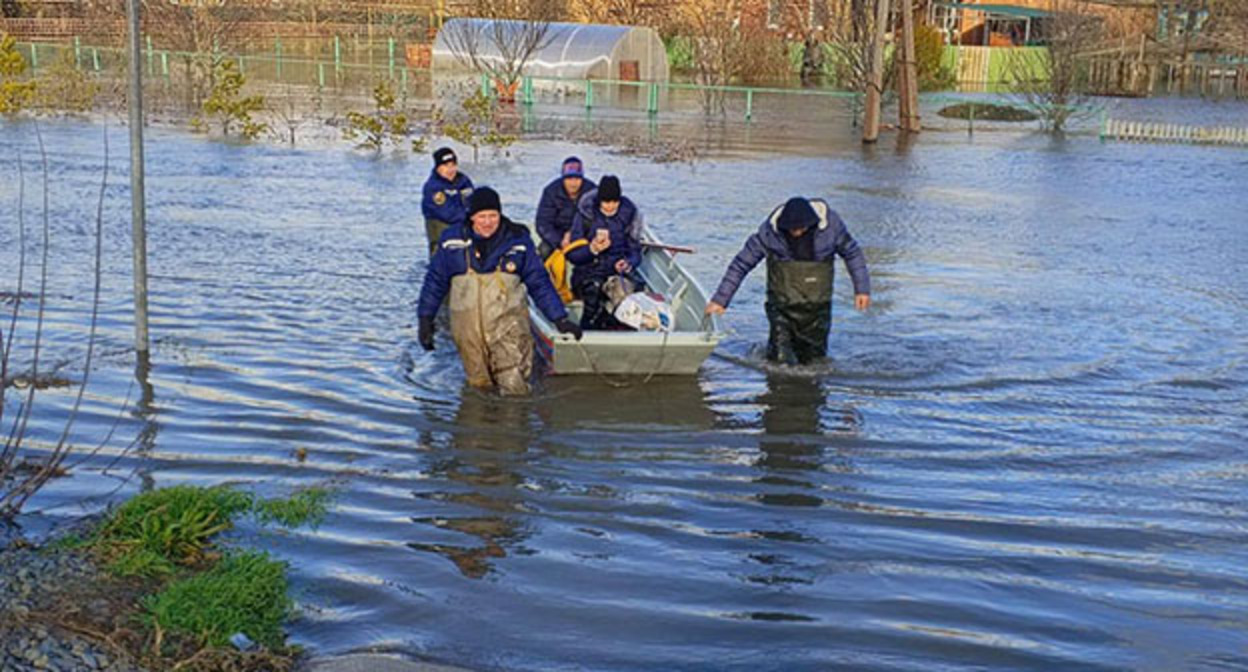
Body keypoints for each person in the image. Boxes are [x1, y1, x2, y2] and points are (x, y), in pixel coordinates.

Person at [417, 187, 582, 396]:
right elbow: (435, 282)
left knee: (515, 390)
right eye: (482, 216)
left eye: (493, 215)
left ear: (500, 214)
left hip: (508, 330)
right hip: (468, 334)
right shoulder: (451, 241)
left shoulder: (518, 241)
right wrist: (425, 319)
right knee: (478, 391)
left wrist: (559, 318)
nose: (488, 222)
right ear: (472, 217)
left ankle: (515, 426)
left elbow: (539, 282)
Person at [705, 197, 870, 365]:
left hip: (818, 309)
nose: (796, 233)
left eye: (800, 228)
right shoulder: (769, 234)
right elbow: (741, 264)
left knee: (815, 362)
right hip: (781, 309)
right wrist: (720, 300)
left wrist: (861, 289)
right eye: (791, 229)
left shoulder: (832, 230)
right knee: (779, 362)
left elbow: (852, 254)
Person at [565, 175, 646, 330]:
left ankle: (623, 329)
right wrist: (592, 249)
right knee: (593, 290)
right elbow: (573, 255)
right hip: (588, 272)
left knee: (624, 295)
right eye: (606, 202)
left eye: (614, 202)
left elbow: (635, 251)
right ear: (599, 201)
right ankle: (587, 329)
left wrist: (628, 263)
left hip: (617, 273)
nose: (610, 206)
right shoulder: (585, 216)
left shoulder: (629, 215)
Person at [535, 156, 596, 259]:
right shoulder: (551, 192)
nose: (573, 183)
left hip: (584, 234)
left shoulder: (592, 192)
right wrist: (559, 241)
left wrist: (575, 235)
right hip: (558, 234)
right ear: (563, 178)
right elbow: (542, 223)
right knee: (544, 250)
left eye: (577, 178)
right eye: (569, 178)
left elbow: (598, 219)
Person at [421, 147, 474, 256]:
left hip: (464, 231)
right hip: (443, 231)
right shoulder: (433, 187)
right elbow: (448, 214)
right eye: (446, 166)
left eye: (453, 165)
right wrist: (470, 217)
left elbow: (474, 201)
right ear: (438, 167)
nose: (450, 170)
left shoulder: (463, 181)